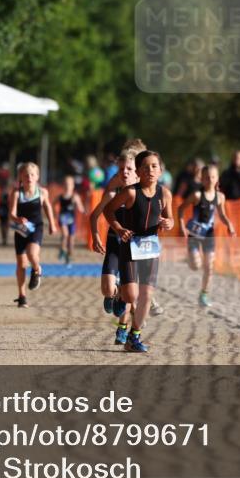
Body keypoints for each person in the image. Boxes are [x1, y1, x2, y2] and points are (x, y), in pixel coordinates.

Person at [103, 150, 175, 353]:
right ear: (139, 171)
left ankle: (134, 337)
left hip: (151, 248)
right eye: (145, 167)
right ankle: (119, 297)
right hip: (130, 247)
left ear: (160, 170)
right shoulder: (131, 192)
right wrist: (119, 229)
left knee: (147, 294)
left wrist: (168, 223)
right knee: (131, 295)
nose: (150, 170)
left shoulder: (165, 193)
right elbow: (109, 211)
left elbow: (170, 219)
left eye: (154, 166)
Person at [89, 146, 142, 344]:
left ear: (136, 170)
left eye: (128, 169)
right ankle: (115, 293)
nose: (124, 173)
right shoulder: (112, 190)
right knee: (106, 289)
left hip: (134, 248)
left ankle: (122, 328)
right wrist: (95, 237)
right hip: (114, 243)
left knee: (130, 294)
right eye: (121, 170)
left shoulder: (144, 189)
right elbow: (94, 215)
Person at [178, 164, 236, 307]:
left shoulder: (220, 197)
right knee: (195, 266)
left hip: (209, 235)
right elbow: (180, 209)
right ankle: (191, 257)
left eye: (213, 177)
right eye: (207, 177)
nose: (210, 179)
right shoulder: (196, 196)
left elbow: (222, 215)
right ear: (202, 179)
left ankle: (204, 294)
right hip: (194, 234)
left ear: (217, 179)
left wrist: (229, 224)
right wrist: (181, 226)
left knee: (209, 266)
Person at [10, 162, 57, 307]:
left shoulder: (42, 192)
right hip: (21, 229)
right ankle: (22, 295)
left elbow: (47, 207)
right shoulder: (17, 193)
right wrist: (18, 219)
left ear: (37, 177)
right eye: (26, 175)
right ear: (20, 178)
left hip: (36, 227)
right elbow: (11, 213)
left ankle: (37, 269)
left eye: (32, 174)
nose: (29, 177)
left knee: (32, 254)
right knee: (21, 264)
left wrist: (52, 224)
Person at [56, 175, 85, 265]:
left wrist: (84, 211)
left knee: (71, 240)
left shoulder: (75, 196)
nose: (67, 186)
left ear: (73, 186)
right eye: (65, 184)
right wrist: (54, 213)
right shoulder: (60, 196)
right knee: (65, 234)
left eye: (69, 184)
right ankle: (62, 249)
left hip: (71, 219)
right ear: (63, 185)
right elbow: (53, 203)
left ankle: (69, 256)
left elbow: (80, 207)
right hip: (62, 218)